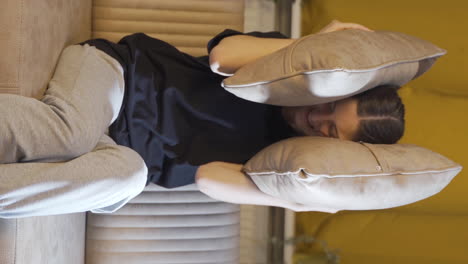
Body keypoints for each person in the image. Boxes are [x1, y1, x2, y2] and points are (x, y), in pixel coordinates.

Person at [0, 21, 404, 216]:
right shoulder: (283, 69)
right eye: (331, 105)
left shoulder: (283, 162)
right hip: (116, 75)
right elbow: (222, 57)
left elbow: (208, 178)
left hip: (117, 151)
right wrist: (317, 47)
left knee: (128, 178)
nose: (316, 117)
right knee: (71, 134)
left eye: (330, 130)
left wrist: (306, 201)